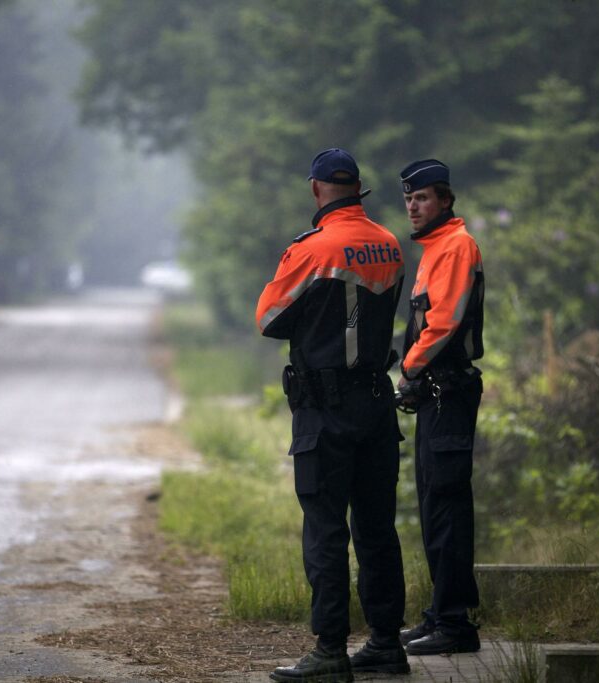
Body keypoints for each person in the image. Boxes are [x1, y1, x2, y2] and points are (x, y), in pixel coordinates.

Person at [256, 148, 410, 681]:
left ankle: (329, 651)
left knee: (325, 528)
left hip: (325, 408)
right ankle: (388, 643)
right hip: (376, 401)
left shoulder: (311, 250)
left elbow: (269, 319)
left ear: (317, 190)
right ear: (358, 188)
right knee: (376, 528)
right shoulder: (389, 244)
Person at [396, 158, 485, 655]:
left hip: (447, 392)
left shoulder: (455, 246)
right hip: (435, 394)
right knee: (434, 506)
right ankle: (440, 615)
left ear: (445, 200)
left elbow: (444, 322)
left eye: (423, 198)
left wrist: (407, 369)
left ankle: (454, 625)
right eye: (409, 199)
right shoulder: (434, 249)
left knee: (447, 506)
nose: (413, 206)